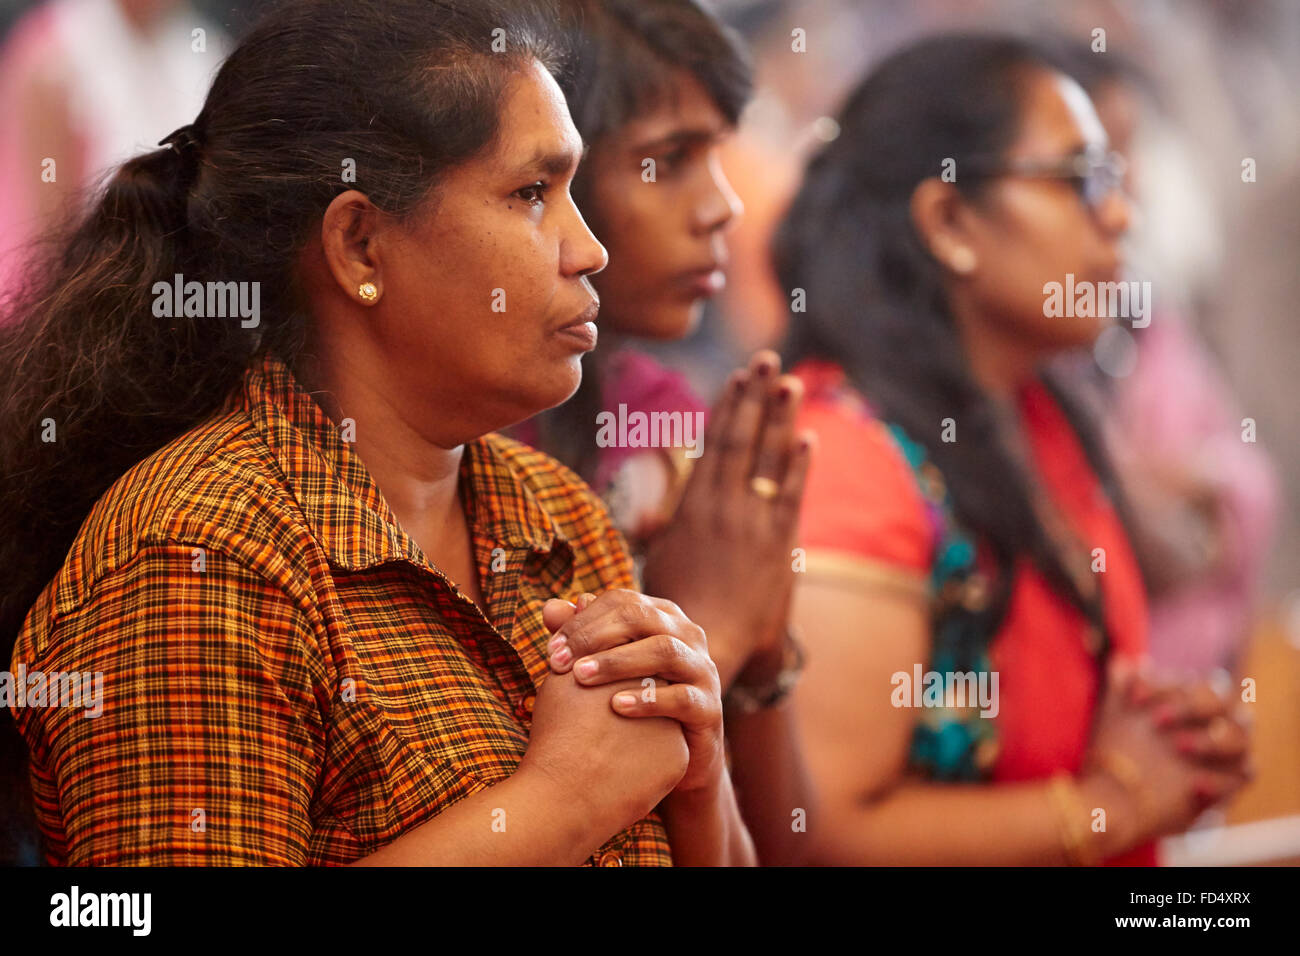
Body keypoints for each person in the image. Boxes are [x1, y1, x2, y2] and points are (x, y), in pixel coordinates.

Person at [0, 0, 754, 866]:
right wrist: (562, 803)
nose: (589, 251)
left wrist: (700, 775)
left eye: (573, 192)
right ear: (360, 245)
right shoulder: (198, 554)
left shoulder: (553, 510)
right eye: (532, 194)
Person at [773, 33, 1253, 865]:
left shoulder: (1039, 411)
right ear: (948, 218)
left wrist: (1169, 742)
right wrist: (1108, 805)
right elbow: (824, 835)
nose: (1121, 214)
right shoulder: (845, 459)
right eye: (1082, 180)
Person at [511, 0, 815, 864]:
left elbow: (791, 843)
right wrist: (705, 628)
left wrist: (761, 648)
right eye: (668, 160)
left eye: (719, 153)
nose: (721, 205)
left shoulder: (661, 418)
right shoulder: (466, 436)